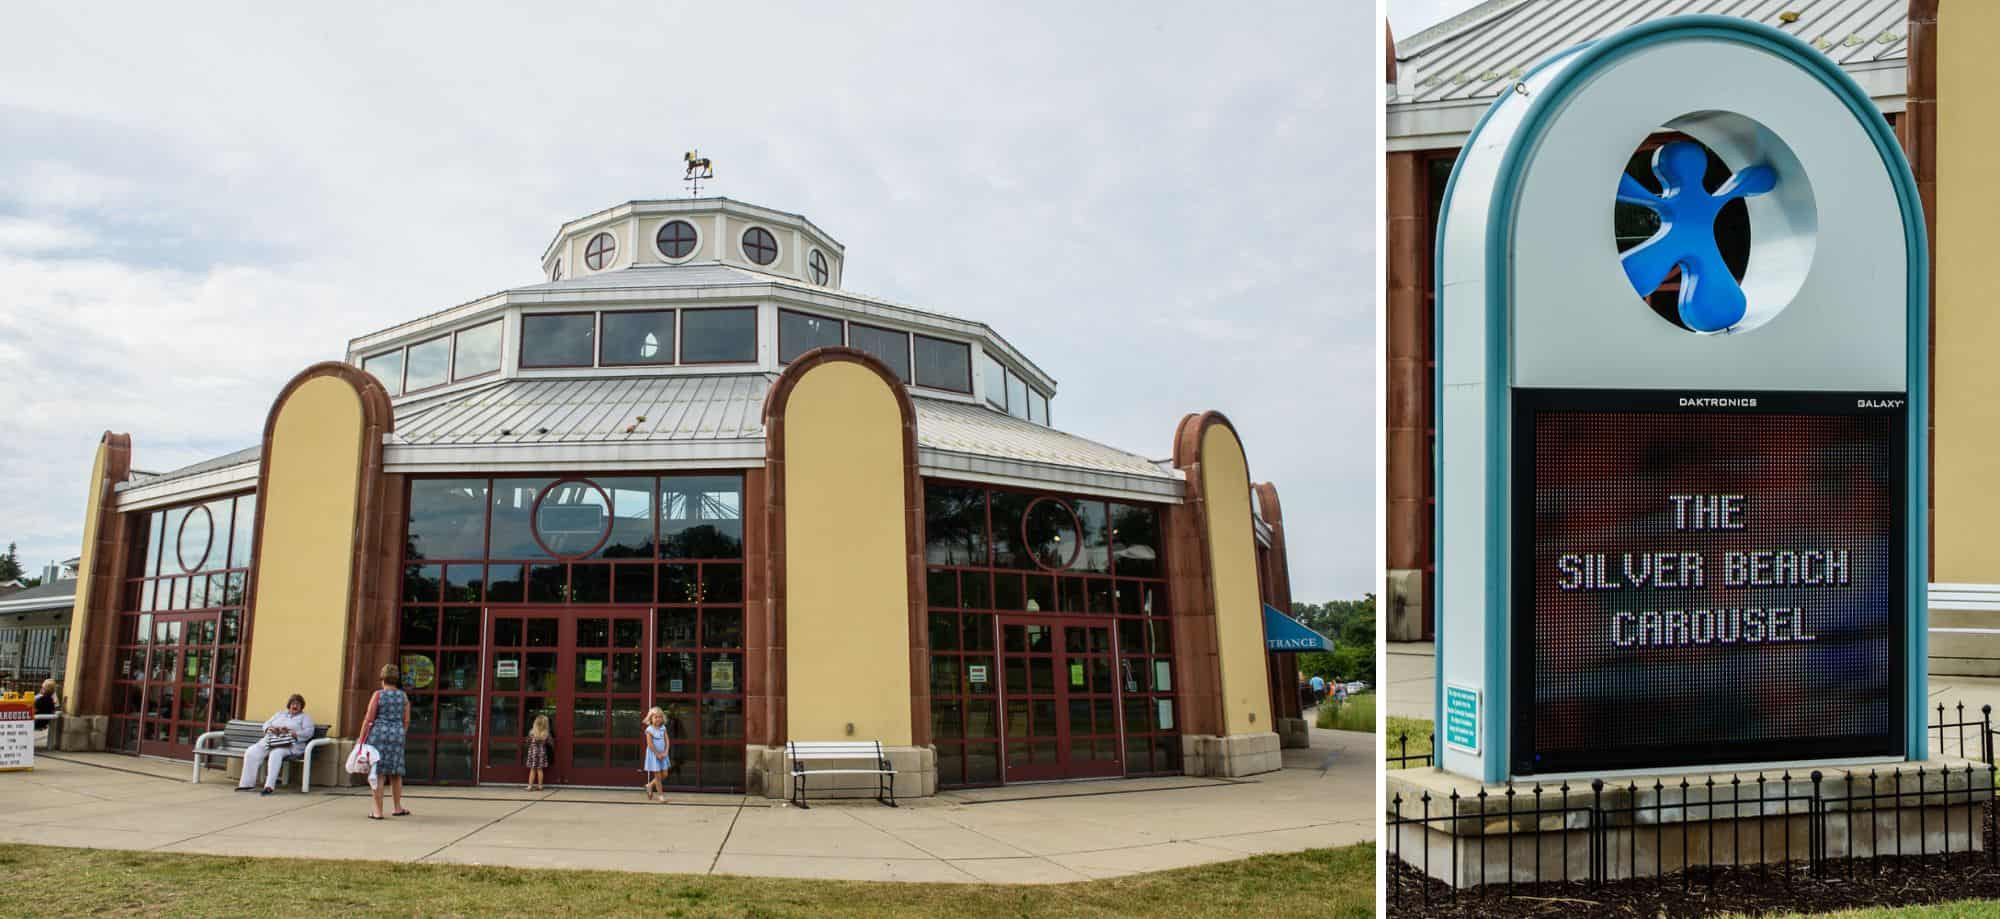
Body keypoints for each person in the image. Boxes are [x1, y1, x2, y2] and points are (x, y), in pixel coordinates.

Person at [359, 664, 410, 820]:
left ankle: (378, 811)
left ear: (382, 678)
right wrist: (400, 733)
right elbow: (406, 720)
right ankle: (397, 807)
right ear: (396, 679)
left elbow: (369, 718)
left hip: (379, 735)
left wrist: (361, 739)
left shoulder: (378, 695)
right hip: (397, 735)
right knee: (396, 773)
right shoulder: (403, 696)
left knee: (378, 773)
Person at [237, 693, 315, 796]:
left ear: (302, 706)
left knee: (276, 753)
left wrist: (295, 733)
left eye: (298, 704)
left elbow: (309, 732)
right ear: (289, 705)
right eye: (293, 703)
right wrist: (270, 728)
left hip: (290, 744)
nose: (295, 706)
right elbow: (266, 724)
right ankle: (246, 784)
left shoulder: (305, 717)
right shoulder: (280, 714)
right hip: (272, 740)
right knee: (251, 752)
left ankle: (269, 786)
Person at [642, 706, 670, 803]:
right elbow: (650, 744)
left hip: (663, 754)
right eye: (656, 717)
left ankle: (649, 785)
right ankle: (661, 796)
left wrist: (666, 751)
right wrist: (657, 754)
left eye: (660, 717)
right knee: (658, 776)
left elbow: (667, 740)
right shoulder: (649, 730)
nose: (658, 719)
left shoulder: (663, 728)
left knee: (665, 774)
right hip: (654, 755)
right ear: (651, 718)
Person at [523, 713, 554, 791]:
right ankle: (540, 786)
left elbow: (527, 741)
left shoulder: (532, 732)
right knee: (540, 770)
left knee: (532, 769)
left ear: (535, 723)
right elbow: (551, 743)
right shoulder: (546, 734)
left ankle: (530, 786)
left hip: (533, 753)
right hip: (541, 753)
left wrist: (528, 742)